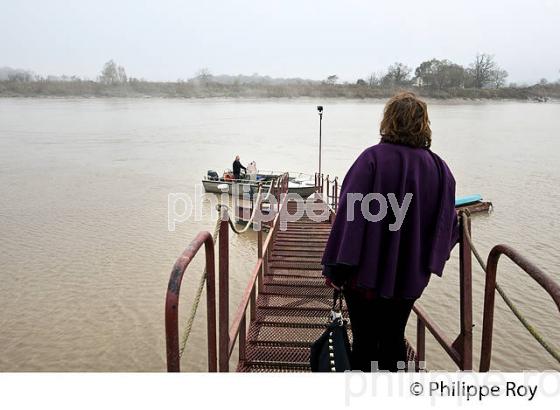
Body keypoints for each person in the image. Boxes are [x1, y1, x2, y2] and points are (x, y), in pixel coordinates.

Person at [321, 92, 459, 372]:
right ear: (424, 124)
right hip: (408, 278)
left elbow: (350, 218)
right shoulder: (440, 169)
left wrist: (335, 272)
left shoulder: (371, 159)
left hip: (362, 280)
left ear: (388, 120)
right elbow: (447, 225)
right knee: (394, 338)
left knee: (364, 342)